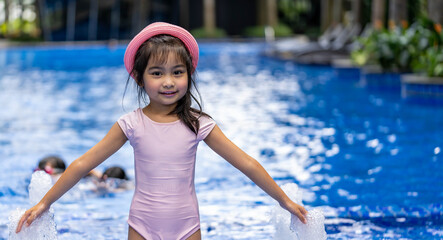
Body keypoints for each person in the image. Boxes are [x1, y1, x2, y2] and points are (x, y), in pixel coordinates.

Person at [16, 22, 307, 240]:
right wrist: (44, 202)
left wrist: (285, 201)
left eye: (177, 72)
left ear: (188, 76)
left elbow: (246, 163)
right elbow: (82, 164)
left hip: (187, 225)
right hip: (142, 225)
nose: (168, 81)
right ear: (140, 79)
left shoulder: (198, 123)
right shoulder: (130, 124)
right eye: (157, 73)